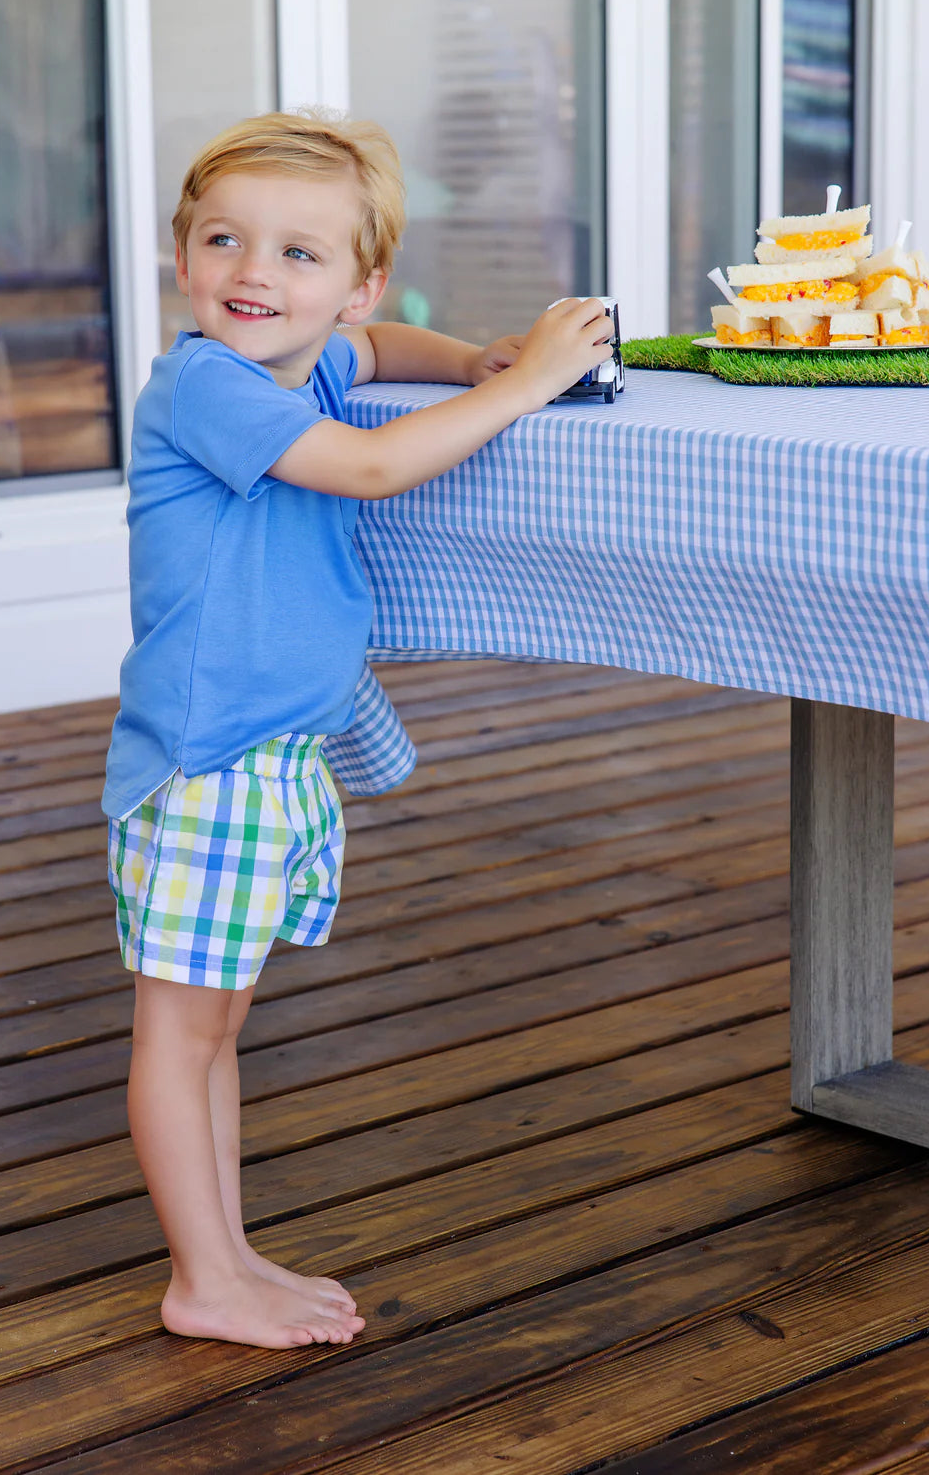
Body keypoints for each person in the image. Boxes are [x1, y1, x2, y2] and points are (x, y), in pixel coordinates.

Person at [102, 109, 613, 1350]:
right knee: (181, 1036)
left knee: (217, 1029)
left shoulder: (315, 353)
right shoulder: (207, 384)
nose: (252, 275)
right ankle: (203, 1280)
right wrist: (536, 380)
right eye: (225, 241)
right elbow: (373, 472)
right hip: (208, 761)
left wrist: (469, 359)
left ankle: (219, 1254)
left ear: (353, 281)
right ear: (183, 259)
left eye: (297, 255)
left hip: (266, 756)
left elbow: (380, 347)